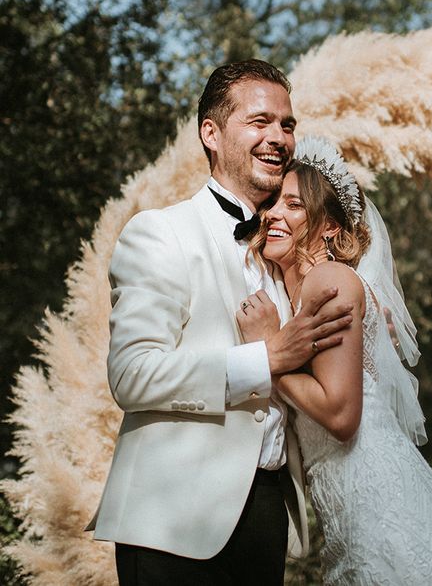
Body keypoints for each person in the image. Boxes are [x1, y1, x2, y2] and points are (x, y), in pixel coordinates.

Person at [87, 60, 354, 586]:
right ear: (211, 133)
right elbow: (132, 375)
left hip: (267, 515)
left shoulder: (289, 255)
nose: (278, 137)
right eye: (259, 122)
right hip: (172, 519)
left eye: (287, 124)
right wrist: (268, 358)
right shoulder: (160, 233)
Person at [238, 136, 432, 585]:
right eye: (272, 203)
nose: (273, 216)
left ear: (327, 227)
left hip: (385, 514)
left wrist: (266, 354)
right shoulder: (300, 292)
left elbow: (341, 415)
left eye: (295, 206)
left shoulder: (329, 279)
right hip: (357, 516)